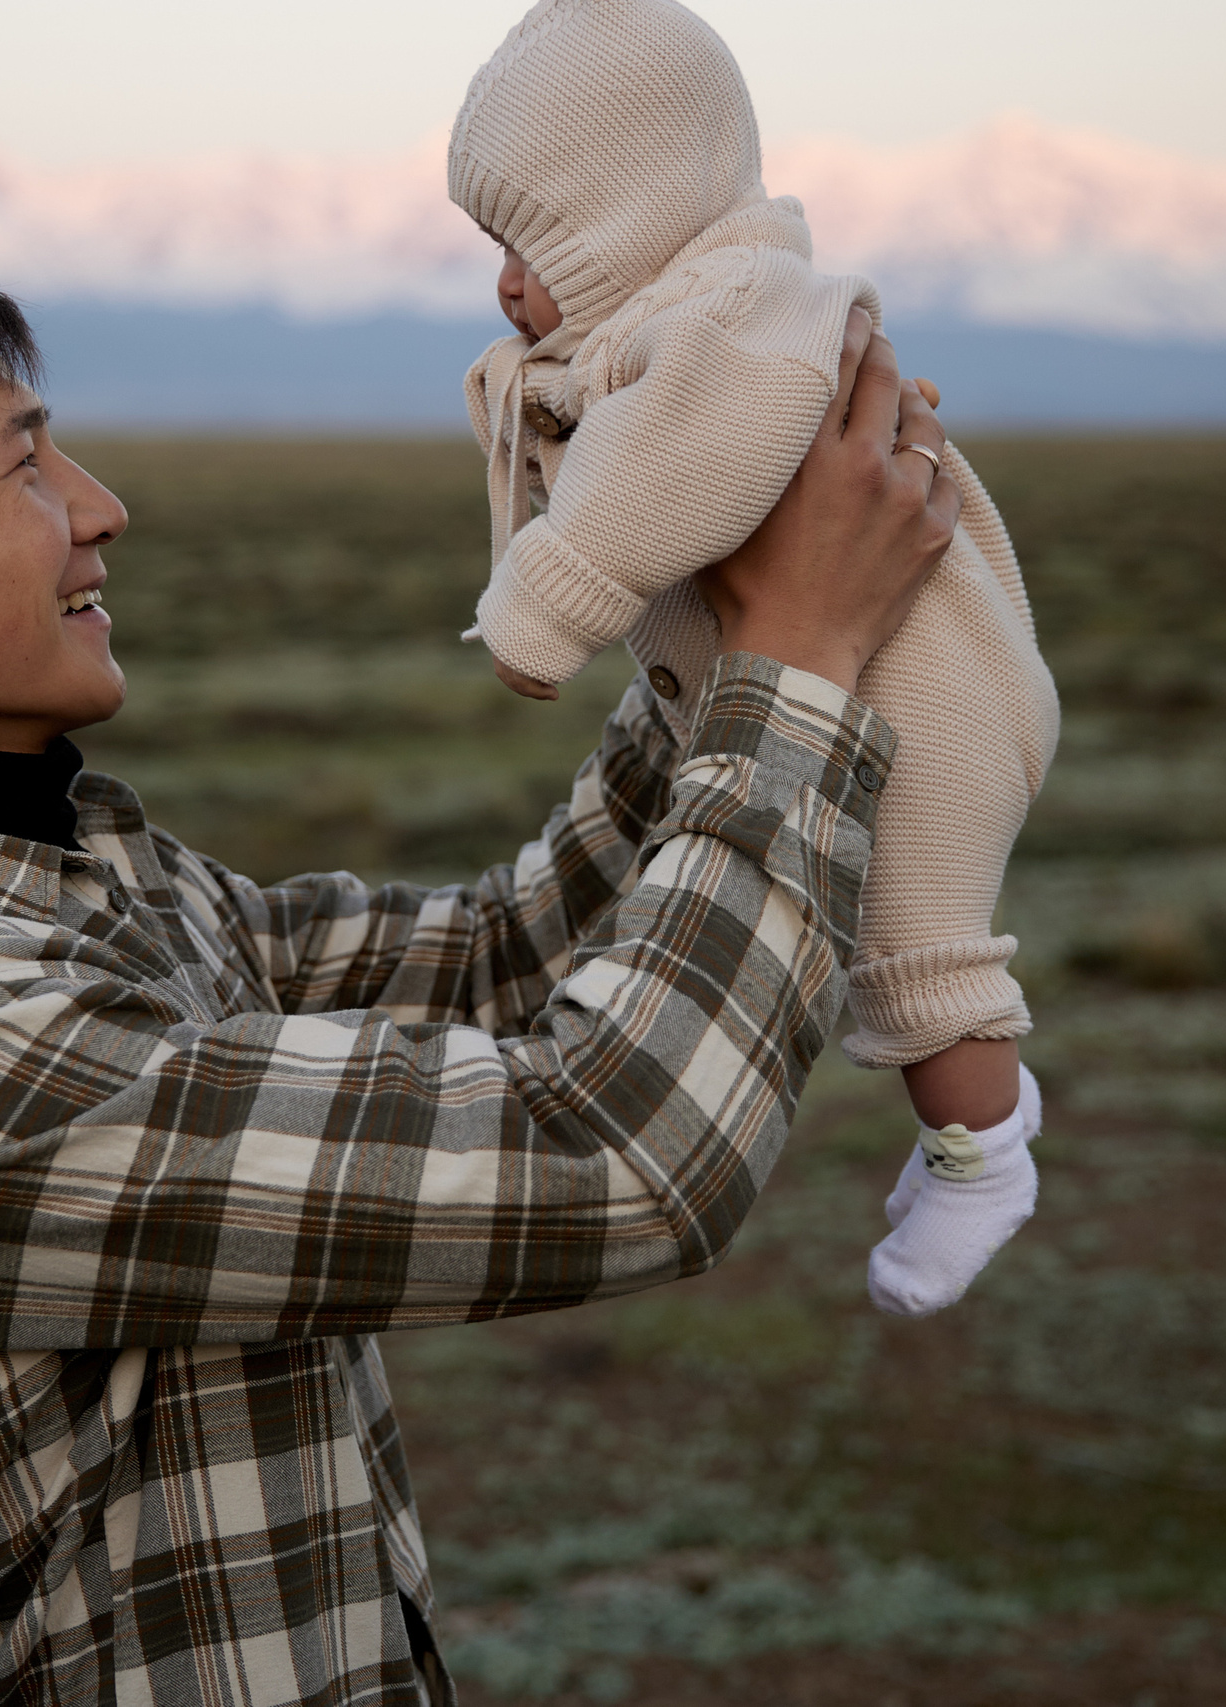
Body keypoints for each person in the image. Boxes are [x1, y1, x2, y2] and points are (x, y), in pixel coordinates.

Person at [0, 238, 957, 1706]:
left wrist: (706, 614)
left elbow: (496, 966)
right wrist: (802, 658)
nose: (103, 514)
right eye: (27, 469)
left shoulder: (79, 878)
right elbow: (615, 1157)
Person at [449, 0, 1059, 1316]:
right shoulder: (676, 324)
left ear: (634, 209)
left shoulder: (737, 318)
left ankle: (982, 1157)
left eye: (535, 239)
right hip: (853, 668)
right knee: (860, 943)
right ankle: (968, 1115)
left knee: (914, 952)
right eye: (495, 245)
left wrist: (545, 601)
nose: (506, 282)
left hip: (924, 695)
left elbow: (675, 472)